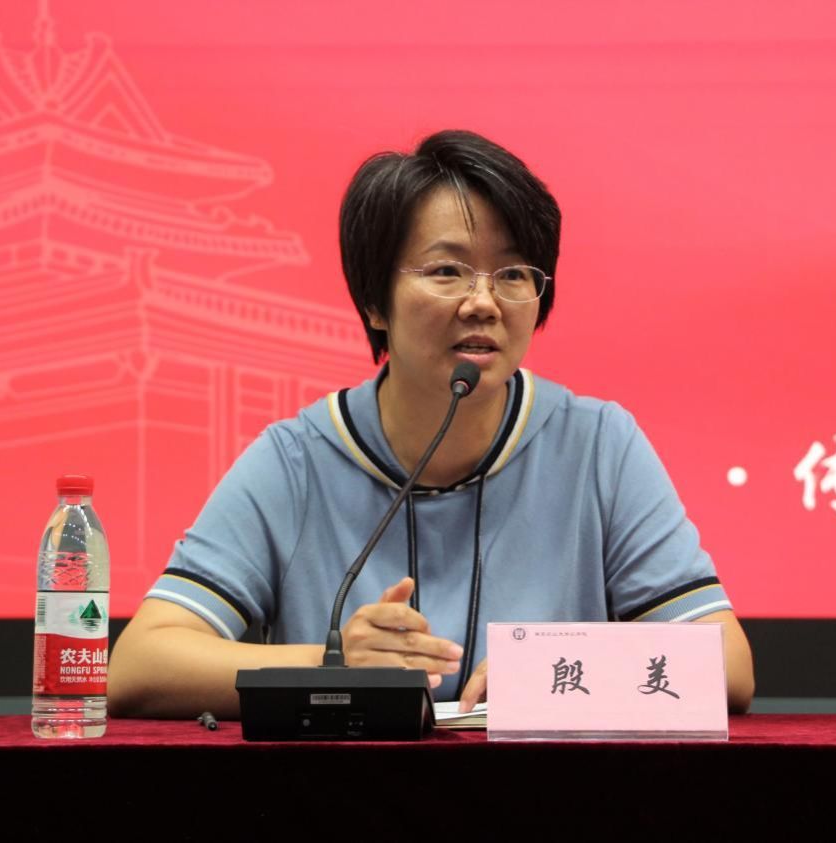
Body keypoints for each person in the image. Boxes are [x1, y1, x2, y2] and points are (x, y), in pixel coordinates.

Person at [108, 130, 754, 717]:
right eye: (447, 271)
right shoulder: (295, 460)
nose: (484, 302)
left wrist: (561, 671)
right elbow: (140, 664)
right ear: (374, 301)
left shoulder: (598, 446)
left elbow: (726, 661)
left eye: (513, 274)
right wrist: (334, 664)